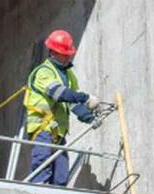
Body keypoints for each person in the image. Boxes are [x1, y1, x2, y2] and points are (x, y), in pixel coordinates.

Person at [24, 29, 101, 186]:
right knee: (42, 166)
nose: (68, 56)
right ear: (52, 52)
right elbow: (59, 94)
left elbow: (72, 103)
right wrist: (86, 98)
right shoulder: (43, 72)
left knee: (61, 175)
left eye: (68, 54)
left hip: (58, 133)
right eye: (64, 53)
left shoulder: (68, 75)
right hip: (42, 130)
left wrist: (89, 118)